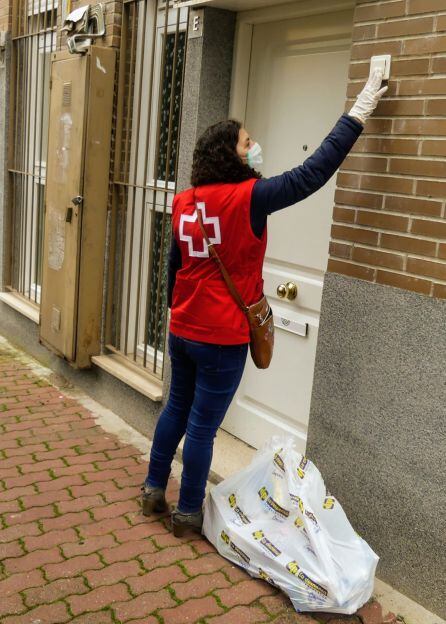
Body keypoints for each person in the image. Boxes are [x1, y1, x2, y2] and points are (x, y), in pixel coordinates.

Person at [142, 68, 388, 537]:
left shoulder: (185, 201)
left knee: (175, 408)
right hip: (222, 335)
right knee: (201, 426)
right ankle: (188, 511)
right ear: (230, 155)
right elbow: (312, 172)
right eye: (246, 142)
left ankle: (154, 488)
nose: (253, 147)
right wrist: (357, 114)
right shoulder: (249, 198)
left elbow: (173, 265)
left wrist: (177, 309)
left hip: (183, 327)